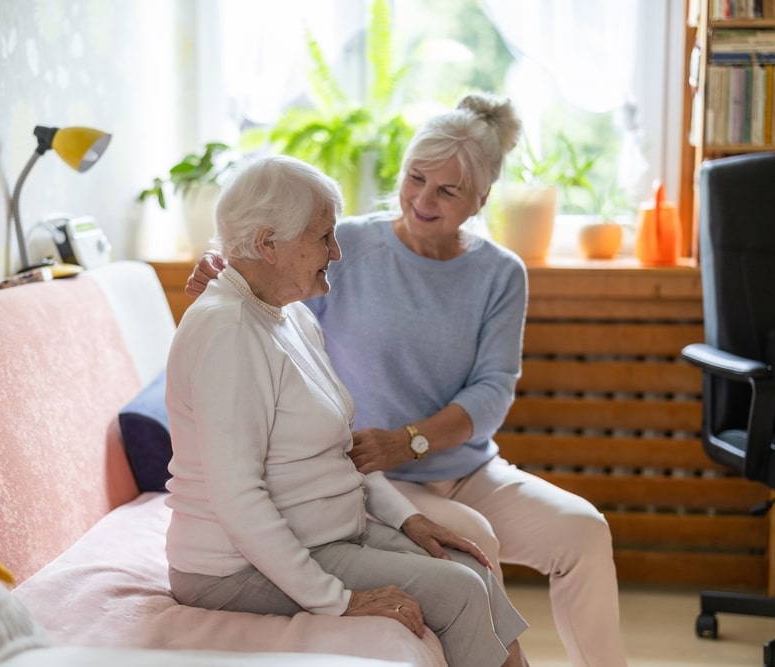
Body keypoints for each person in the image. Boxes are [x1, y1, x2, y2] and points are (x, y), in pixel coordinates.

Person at [186, 93, 628, 667]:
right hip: (376, 474)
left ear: (481, 198)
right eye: (416, 178)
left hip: (464, 467)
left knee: (585, 532)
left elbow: (492, 391)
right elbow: (273, 294)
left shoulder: (499, 273)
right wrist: (220, 268)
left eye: (447, 190)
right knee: (475, 549)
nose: (423, 199)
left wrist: (411, 439)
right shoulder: (345, 245)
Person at [164, 154, 529, 667]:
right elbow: (238, 498)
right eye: (323, 237)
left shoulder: (290, 317)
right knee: (460, 590)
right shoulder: (228, 332)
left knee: (474, 567)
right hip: (232, 569)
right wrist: (341, 600)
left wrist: (408, 520)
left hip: (327, 532)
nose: (337, 252)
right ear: (269, 244)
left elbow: (339, 449)